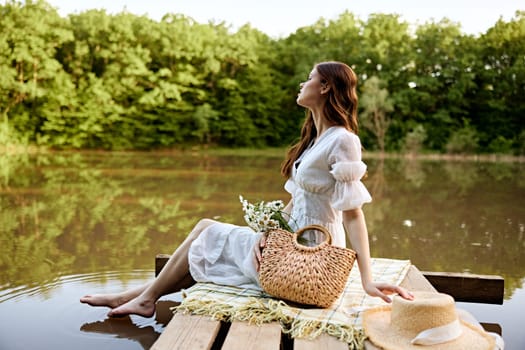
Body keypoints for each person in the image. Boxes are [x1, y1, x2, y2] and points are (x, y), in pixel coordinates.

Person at [80, 61, 413, 318]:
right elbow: (297, 201)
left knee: (206, 231)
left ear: (325, 86)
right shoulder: (315, 140)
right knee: (209, 237)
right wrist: (268, 233)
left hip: (312, 255)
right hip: (290, 240)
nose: (302, 83)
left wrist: (367, 280)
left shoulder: (343, 140)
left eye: (309, 78)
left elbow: (353, 214)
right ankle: (139, 297)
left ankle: (143, 298)